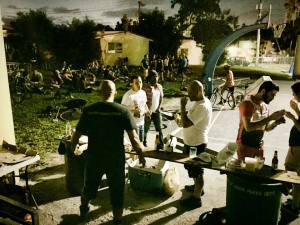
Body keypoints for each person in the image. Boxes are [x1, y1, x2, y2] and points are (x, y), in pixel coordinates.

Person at [70, 80, 146, 223]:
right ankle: (117, 221)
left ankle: (83, 210)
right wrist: (141, 155)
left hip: (94, 157)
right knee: (117, 192)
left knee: (89, 188)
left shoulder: (89, 110)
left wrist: (73, 146)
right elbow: (134, 139)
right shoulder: (122, 111)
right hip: (115, 159)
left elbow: (77, 134)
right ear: (115, 92)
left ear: (100, 93)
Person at [178, 80, 212, 208]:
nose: (188, 95)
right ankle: (197, 187)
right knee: (191, 167)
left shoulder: (202, 106)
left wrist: (182, 106)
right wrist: (181, 117)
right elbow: (188, 119)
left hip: (196, 144)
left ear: (199, 91)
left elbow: (187, 123)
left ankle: (196, 198)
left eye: (190, 92)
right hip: (192, 142)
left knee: (197, 170)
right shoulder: (198, 102)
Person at [236, 81, 286, 161]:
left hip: (258, 146)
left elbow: (266, 128)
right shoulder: (248, 104)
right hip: (246, 146)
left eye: (274, 95)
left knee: (258, 171)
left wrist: (276, 123)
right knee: (245, 172)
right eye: (272, 94)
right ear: (263, 91)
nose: (273, 98)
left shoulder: (265, 107)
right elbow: (248, 127)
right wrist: (270, 118)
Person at [284, 81, 300, 210]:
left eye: (294, 93)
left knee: (292, 172)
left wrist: (292, 118)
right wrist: (297, 110)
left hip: (298, 147)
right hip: (296, 146)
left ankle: (295, 205)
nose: (293, 95)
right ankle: (296, 200)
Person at [121, 75, 149, 142]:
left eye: (140, 82)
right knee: (136, 144)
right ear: (132, 84)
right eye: (136, 83)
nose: (139, 84)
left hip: (142, 122)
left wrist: (147, 111)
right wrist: (133, 111)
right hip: (133, 124)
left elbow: (144, 104)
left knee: (141, 141)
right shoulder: (128, 95)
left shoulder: (143, 93)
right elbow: (122, 109)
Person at [143, 70, 164, 148]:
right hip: (147, 112)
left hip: (156, 112)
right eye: (153, 77)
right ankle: (143, 144)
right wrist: (147, 110)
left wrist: (159, 107)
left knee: (159, 129)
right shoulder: (144, 87)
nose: (155, 79)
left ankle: (160, 145)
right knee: (145, 129)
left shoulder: (159, 86)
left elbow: (161, 97)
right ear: (150, 78)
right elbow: (142, 100)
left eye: (156, 77)